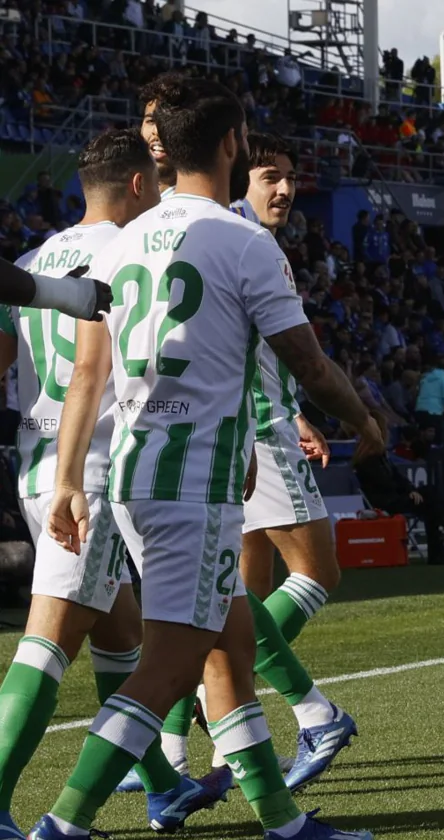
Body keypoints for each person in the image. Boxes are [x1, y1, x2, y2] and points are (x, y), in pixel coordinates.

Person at [28, 77, 381, 840]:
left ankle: (283, 822)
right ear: (231, 145)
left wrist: (65, 481)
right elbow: (309, 365)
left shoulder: (119, 244)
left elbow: (89, 374)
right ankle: (64, 823)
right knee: (171, 668)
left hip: (136, 468)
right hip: (193, 479)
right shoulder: (244, 241)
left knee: (234, 644)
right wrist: (365, 420)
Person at [0, 129, 229, 839]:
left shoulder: (34, 258)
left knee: (119, 626)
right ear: (138, 185)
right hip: (92, 472)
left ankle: (162, 787)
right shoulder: (133, 255)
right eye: (155, 185)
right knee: (47, 640)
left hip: (36, 464)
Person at [227, 131, 358, 791]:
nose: (282, 189)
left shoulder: (239, 237)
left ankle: (202, 743)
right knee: (318, 571)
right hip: (255, 433)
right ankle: (241, 687)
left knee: (240, 591)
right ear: (239, 178)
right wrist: (352, 414)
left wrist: (297, 411)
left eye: (289, 177)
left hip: (249, 425)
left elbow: (251, 349)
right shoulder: (246, 240)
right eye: (267, 176)